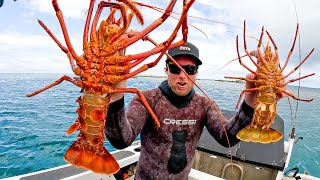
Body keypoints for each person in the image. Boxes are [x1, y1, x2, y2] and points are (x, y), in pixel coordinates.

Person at [104, 42, 256, 180]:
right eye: (175, 68)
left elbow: (226, 137)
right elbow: (121, 140)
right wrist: (116, 95)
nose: (182, 76)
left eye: (190, 69)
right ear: (166, 69)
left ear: (196, 72)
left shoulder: (205, 105)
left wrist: (250, 99)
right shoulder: (146, 99)